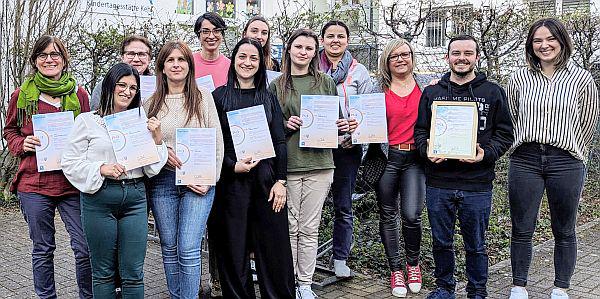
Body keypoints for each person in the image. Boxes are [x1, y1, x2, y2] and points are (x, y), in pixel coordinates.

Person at [413, 35, 514, 299]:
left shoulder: (492, 92)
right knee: (441, 242)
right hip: (439, 183)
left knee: (476, 245)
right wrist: (426, 151)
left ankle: (477, 291)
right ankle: (445, 288)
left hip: (477, 184)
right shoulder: (433, 92)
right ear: (447, 57)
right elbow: (421, 130)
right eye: (456, 53)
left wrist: (486, 154)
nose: (461, 58)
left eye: (468, 53)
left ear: (476, 57)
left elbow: (505, 134)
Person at [506, 18, 599, 299]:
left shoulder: (581, 78)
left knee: (565, 228)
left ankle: (561, 288)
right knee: (522, 227)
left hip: (566, 161)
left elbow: (588, 122)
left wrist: (574, 153)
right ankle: (519, 285)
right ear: (530, 45)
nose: (544, 45)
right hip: (525, 160)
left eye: (550, 39)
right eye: (537, 41)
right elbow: (513, 117)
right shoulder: (518, 78)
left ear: (562, 41)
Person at [61, 63, 168, 298]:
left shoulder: (142, 122)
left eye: (133, 87)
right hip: (99, 198)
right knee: (102, 272)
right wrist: (101, 168)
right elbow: (69, 162)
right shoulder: (87, 121)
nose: (127, 91)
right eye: (122, 85)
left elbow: (152, 168)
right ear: (110, 86)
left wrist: (157, 139)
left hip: (135, 198)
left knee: (133, 273)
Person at [2, 35, 93, 299]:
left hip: (72, 183)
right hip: (34, 183)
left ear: (65, 60)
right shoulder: (22, 95)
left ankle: (88, 296)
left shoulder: (79, 94)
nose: (49, 59)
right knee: (43, 248)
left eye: (55, 55)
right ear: (35, 61)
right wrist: (22, 142)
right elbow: (10, 130)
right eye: (43, 55)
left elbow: (89, 133)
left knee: (84, 247)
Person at [268, 28, 356, 299]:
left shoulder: (326, 83)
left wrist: (345, 125)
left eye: (308, 48)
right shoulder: (277, 85)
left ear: (314, 52)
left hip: (321, 164)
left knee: (310, 226)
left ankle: (304, 284)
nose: (303, 52)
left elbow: (337, 123)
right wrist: (285, 124)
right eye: (298, 47)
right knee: (291, 226)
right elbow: (271, 129)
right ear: (289, 50)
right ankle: (289, 282)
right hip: (290, 165)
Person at [210, 37, 295, 299]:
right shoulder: (218, 97)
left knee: (274, 249)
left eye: (253, 58)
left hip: (266, 182)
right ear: (233, 59)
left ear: (261, 63)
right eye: (242, 57)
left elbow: (280, 141)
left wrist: (281, 181)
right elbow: (213, 142)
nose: (247, 63)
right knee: (233, 251)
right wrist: (231, 166)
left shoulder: (268, 98)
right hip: (231, 182)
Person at [144, 40, 224, 299]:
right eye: (170, 60)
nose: (176, 65)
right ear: (162, 67)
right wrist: (162, 154)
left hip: (199, 182)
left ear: (190, 66)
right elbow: (144, 149)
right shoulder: (150, 103)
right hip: (163, 182)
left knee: (189, 248)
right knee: (169, 246)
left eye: (182, 60)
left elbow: (217, 142)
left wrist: (211, 179)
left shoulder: (204, 98)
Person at [373, 38, 435, 297]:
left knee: (411, 215)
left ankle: (413, 264)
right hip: (388, 159)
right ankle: (395, 269)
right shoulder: (378, 90)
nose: (400, 59)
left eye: (405, 54)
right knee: (387, 215)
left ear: (412, 57)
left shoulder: (429, 84)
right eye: (394, 56)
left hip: (415, 160)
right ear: (387, 62)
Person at [317, 20, 373, 278]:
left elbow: (367, 113)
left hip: (345, 148)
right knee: (311, 207)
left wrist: (356, 134)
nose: (335, 40)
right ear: (322, 39)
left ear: (347, 41)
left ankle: (340, 257)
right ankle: (302, 258)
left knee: (343, 205)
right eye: (330, 36)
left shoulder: (359, 71)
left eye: (340, 36)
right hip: (315, 148)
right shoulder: (310, 67)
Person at [91, 35, 152, 110]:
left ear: (149, 59)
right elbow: (96, 114)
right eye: (131, 54)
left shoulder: (160, 86)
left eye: (142, 54)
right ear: (122, 57)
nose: (136, 59)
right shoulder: (103, 85)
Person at [193, 12, 231, 87]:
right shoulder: (188, 62)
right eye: (205, 31)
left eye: (216, 31)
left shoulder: (231, 66)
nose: (211, 36)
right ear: (198, 35)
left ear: (222, 34)